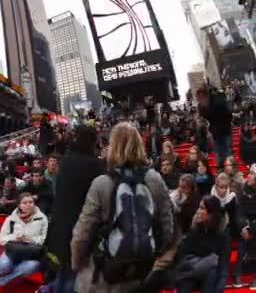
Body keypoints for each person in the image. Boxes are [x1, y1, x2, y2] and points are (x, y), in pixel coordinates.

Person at [71, 122, 174, 293]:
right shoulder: (155, 179)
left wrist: (76, 263)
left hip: (108, 276)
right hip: (144, 272)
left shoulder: (101, 183)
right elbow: (167, 228)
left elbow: (82, 233)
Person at [39, 125, 104, 293]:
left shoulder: (66, 161)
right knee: (74, 277)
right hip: (80, 228)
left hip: (60, 226)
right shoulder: (94, 165)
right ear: (92, 141)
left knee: (64, 272)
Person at [0, 193, 48, 287]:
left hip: (31, 253)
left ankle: (3, 280)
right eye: (24, 203)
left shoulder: (42, 219)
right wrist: (15, 237)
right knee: (4, 265)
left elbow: (44, 238)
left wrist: (32, 240)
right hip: (13, 251)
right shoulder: (11, 219)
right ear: (19, 205)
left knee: (32, 266)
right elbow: (1, 239)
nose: (28, 205)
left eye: (31, 202)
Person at [175, 196, 229, 293]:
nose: (198, 211)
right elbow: (182, 256)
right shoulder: (193, 232)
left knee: (212, 270)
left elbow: (223, 265)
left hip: (209, 276)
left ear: (211, 214)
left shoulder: (221, 236)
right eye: (199, 207)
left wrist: (220, 285)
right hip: (190, 271)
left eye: (202, 208)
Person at [210, 172, 240, 291]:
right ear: (216, 186)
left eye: (225, 188)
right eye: (220, 187)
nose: (223, 190)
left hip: (227, 232)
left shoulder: (232, 197)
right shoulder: (211, 198)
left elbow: (235, 216)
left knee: (224, 264)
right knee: (214, 264)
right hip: (213, 233)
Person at [197, 86, 233, 170]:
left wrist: (227, 122)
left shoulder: (218, 101)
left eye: (201, 98)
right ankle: (219, 169)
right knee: (218, 152)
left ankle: (230, 168)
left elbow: (227, 113)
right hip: (215, 132)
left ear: (206, 96)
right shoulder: (201, 106)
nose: (200, 100)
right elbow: (204, 118)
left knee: (228, 150)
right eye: (199, 99)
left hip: (225, 129)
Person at [233, 169, 256, 287]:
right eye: (250, 173)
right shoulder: (241, 189)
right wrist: (244, 226)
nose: (249, 176)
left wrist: (251, 228)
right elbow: (239, 211)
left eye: (253, 174)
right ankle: (237, 273)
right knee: (242, 242)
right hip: (243, 223)